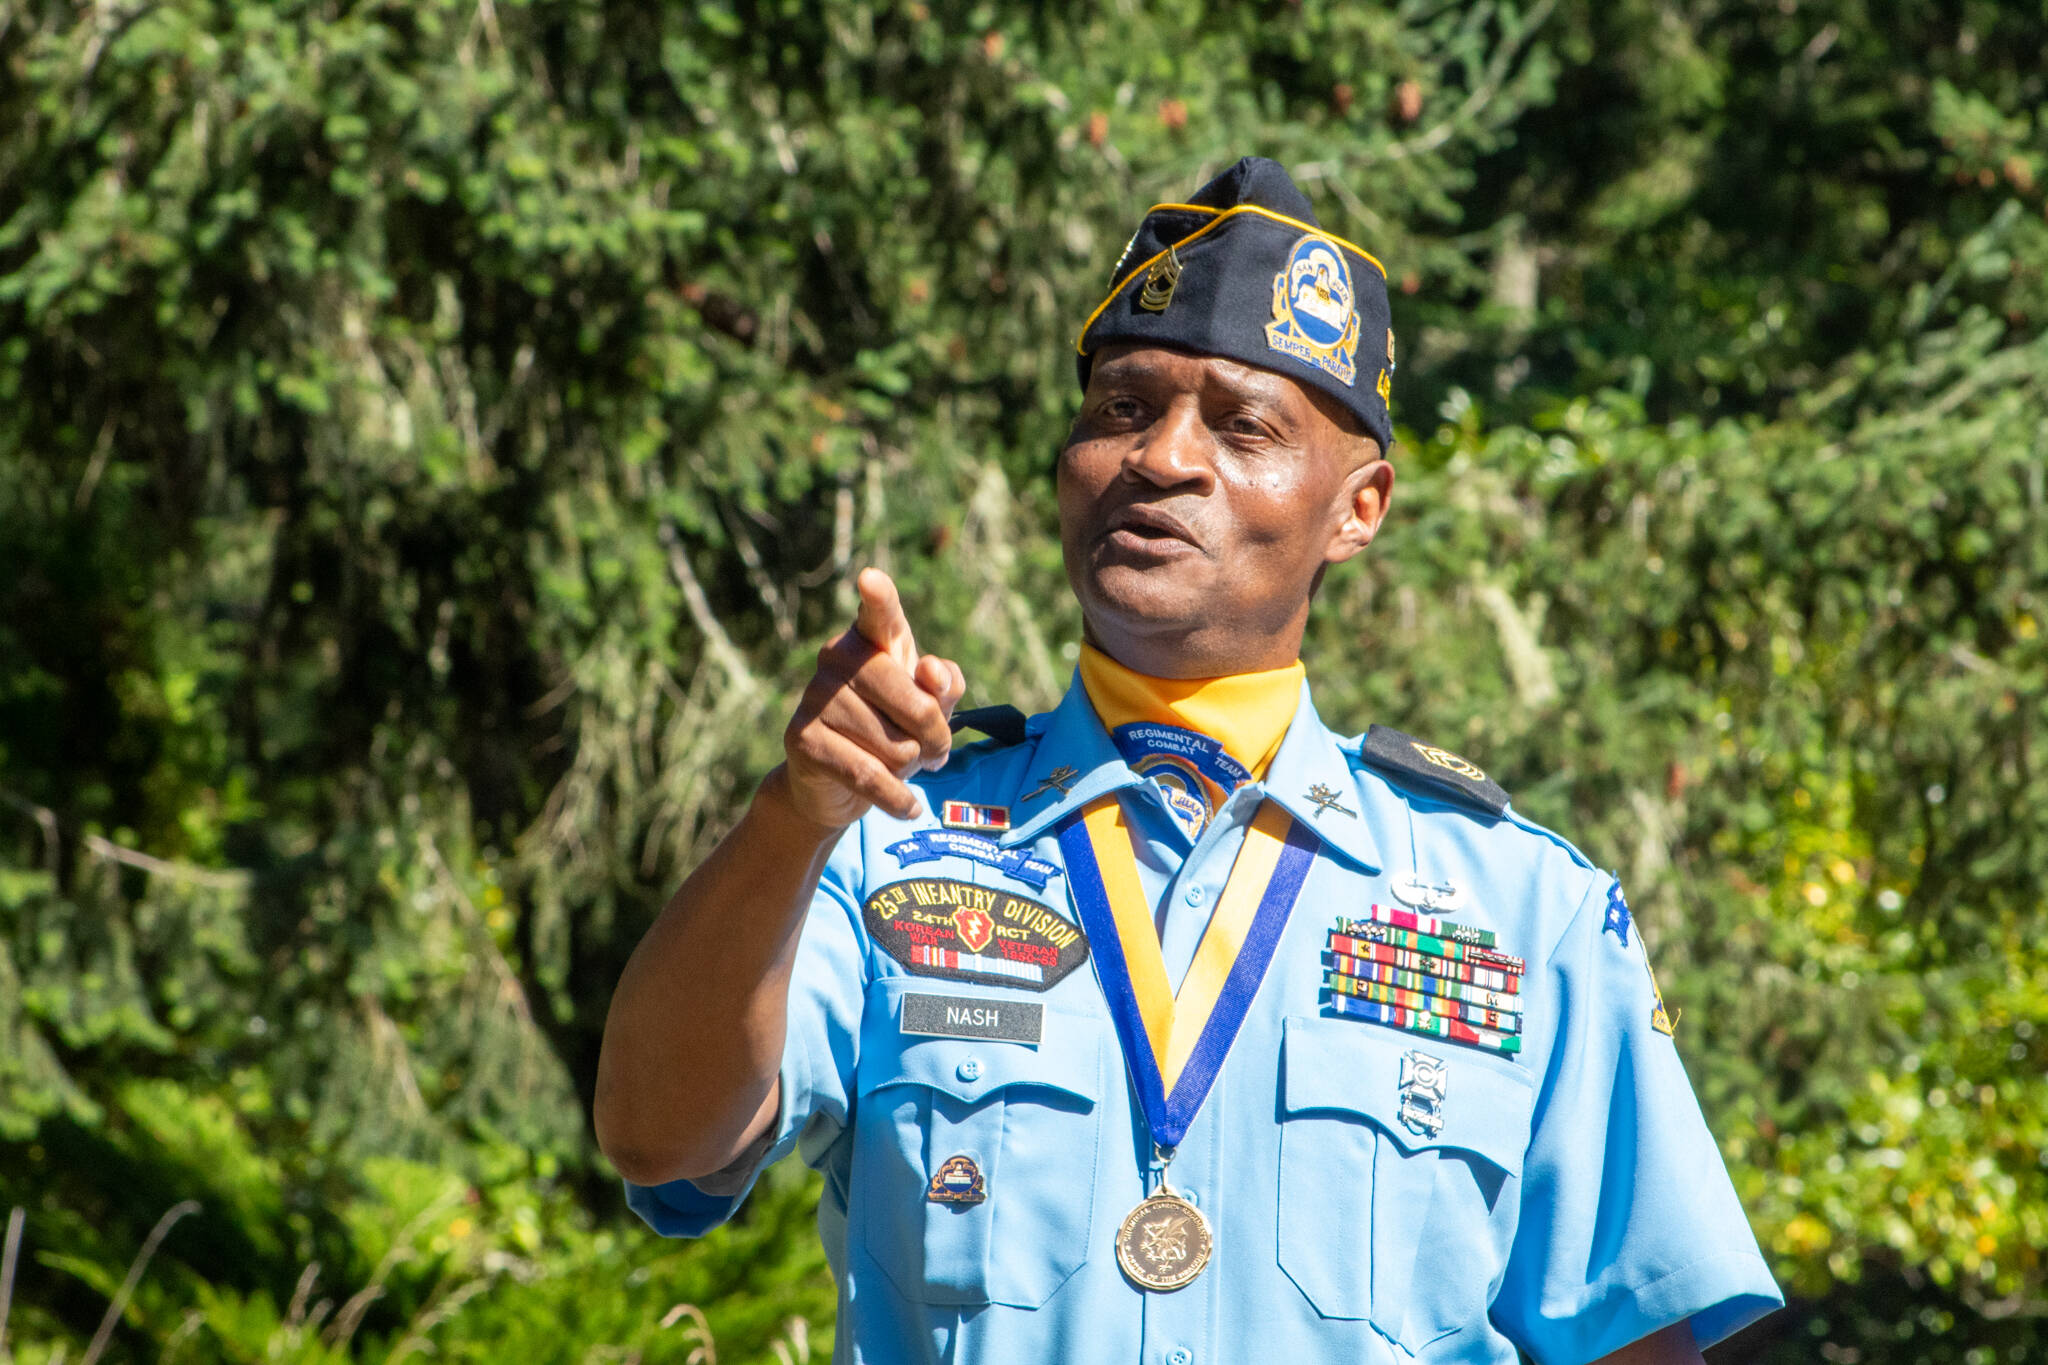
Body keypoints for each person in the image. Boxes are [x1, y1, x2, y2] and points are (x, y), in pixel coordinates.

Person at [594, 157, 1782, 1365]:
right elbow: (656, 1139)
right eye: (1120, 407)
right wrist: (791, 818)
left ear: (1357, 508)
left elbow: (1632, 1341)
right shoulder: (882, 838)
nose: (1161, 457)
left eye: (1240, 423)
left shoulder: (1523, 908)